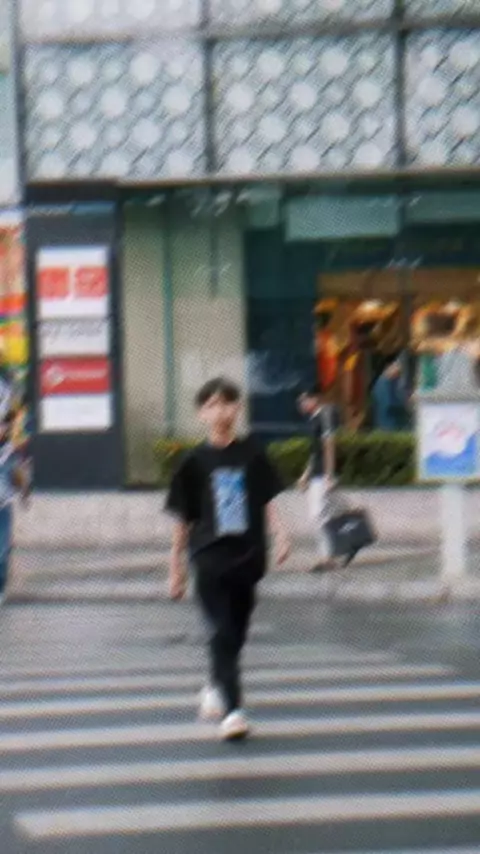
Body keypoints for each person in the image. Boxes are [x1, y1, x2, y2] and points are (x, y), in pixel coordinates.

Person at [165, 377, 290, 741]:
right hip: (209, 555)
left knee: (236, 631)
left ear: (238, 408)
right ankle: (234, 711)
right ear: (201, 414)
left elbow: (267, 500)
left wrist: (281, 534)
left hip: (248, 555)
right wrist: (175, 566)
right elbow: (183, 518)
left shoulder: (252, 453)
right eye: (212, 405)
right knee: (221, 631)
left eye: (227, 403)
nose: (220, 411)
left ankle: (214, 684)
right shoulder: (193, 462)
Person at [297, 386, 337, 573]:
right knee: (319, 515)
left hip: (322, 475)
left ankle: (327, 557)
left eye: (304, 399)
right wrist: (305, 475)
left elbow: (328, 446)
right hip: (316, 475)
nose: (301, 404)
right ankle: (326, 555)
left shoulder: (324, 416)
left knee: (319, 514)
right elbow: (314, 453)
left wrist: (330, 475)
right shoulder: (313, 419)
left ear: (315, 399)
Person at [0, 410, 29, 604]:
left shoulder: (11, 453)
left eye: (2, 425)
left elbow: (20, 477)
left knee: (2, 549)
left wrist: (24, 492)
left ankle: (1, 586)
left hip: (3, 506)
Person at [371, 359, 407, 431]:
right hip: (388, 424)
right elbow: (388, 404)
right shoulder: (383, 383)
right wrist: (405, 403)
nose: (399, 374)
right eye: (397, 369)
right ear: (389, 368)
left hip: (391, 422)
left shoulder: (391, 382)